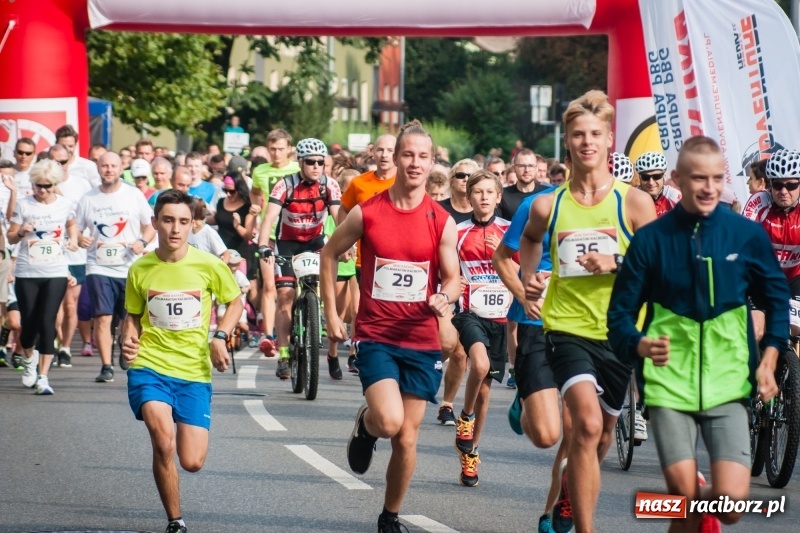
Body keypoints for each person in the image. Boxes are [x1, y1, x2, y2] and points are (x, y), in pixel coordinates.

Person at [608, 136, 788, 533]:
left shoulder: (746, 235)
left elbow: (776, 300)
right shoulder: (651, 240)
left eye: (717, 178)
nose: (709, 187)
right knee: (684, 496)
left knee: (731, 507)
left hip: (728, 382)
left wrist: (770, 358)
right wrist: (638, 343)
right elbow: (618, 316)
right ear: (677, 179)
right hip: (669, 383)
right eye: (697, 178)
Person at [518, 90, 656, 533]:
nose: (587, 142)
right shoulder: (549, 203)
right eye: (578, 135)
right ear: (567, 142)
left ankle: (566, 499)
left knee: (593, 441)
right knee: (588, 421)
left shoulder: (633, 202)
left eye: (595, 134)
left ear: (609, 139)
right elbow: (530, 240)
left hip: (619, 333)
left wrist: (617, 262)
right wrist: (529, 277)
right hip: (566, 328)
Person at [321, 120, 459, 533]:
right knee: (388, 421)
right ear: (395, 158)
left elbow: (453, 277)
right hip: (376, 335)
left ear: (432, 163)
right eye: (408, 155)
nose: (415, 163)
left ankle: (390, 515)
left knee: (408, 438)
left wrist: (445, 297)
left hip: (421, 338)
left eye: (423, 156)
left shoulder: (441, 220)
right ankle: (367, 426)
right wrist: (331, 313)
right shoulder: (369, 212)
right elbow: (329, 255)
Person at [121, 189, 242, 533]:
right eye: (169, 220)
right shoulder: (140, 268)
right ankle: (176, 521)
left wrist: (220, 336)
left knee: (191, 461)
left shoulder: (209, 265)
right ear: (155, 222)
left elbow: (234, 302)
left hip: (193, 372)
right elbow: (132, 316)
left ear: (193, 225)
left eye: (183, 222)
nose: (175, 228)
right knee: (163, 441)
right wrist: (128, 341)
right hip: (150, 366)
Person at [493, 179, 571, 533]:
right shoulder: (539, 204)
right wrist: (522, 293)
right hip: (536, 322)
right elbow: (501, 257)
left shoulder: (619, 204)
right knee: (545, 435)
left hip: (585, 329)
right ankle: (525, 398)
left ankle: (554, 512)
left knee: (577, 431)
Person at [256, 138, 341, 378]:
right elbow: (270, 217)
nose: (316, 166)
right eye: (310, 162)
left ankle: (316, 318)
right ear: (300, 163)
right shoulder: (285, 185)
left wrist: (346, 244)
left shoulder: (329, 185)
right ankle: (283, 354)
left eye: (320, 162)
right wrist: (264, 245)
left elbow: (339, 217)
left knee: (320, 286)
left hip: (315, 242)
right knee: (285, 296)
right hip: (287, 244)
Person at [450, 170, 511, 487]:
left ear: (499, 197)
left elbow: (523, 272)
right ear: (468, 196)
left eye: (490, 192)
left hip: (501, 316)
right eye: (478, 192)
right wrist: (452, 282)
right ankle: (465, 417)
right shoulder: (457, 231)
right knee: (480, 364)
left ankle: (471, 453)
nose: (484, 197)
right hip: (470, 313)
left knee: (486, 391)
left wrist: (503, 253)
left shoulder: (509, 231)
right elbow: (445, 272)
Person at [76, 151, 155, 383]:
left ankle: (124, 345)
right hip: (98, 266)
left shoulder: (133, 195)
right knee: (102, 316)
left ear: (121, 169)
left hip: (128, 265)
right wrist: (81, 239)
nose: (108, 169)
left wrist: (141, 242)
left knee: (128, 316)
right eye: (104, 166)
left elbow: (150, 226)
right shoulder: (88, 198)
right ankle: (106, 365)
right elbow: (77, 229)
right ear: (98, 168)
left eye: (113, 166)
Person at [8, 159, 78, 394]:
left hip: (55, 271)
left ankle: (44, 377)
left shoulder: (65, 204)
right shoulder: (24, 204)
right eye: (39, 185)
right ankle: (29, 360)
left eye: (47, 186)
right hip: (27, 271)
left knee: (47, 322)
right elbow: (10, 237)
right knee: (28, 325)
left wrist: (73, 239)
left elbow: (71, 223)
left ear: (54, 184)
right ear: (33, 184)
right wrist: (21, 232)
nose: (43, 190)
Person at [251, 129, 301, 354]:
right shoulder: (260, 171)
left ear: (289, 148)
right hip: (269, 235)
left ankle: (299, 324)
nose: (277, 153)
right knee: (269, 286)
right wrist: (257, 208)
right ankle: (268, 335)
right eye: (272, 149)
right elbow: (254, 192)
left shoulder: (298, 169)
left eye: (281, 149)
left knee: (293, 288)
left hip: (293, 234)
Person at [47, 143, 93, 368]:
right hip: (51, 253)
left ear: (69, 160)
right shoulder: (41, 186)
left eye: (62, 162)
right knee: (54, 304)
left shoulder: (81, 184)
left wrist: (81, 236)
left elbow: (84, 217)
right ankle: (55, 339)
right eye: (53, 162)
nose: (58, 166)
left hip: (75, 254)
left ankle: (65, 347)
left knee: (70, 304)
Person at [749, 149, 800, 339]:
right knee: (755, 331)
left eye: (791, 185)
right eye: (777, 185)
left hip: (795, 277)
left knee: (796, 328)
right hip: (764, 277)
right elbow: (744, 237)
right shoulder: (759, 201)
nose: (784, 191)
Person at [499, 149, 548, 220]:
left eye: (531, 166)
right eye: (522, 166)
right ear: (514, 168)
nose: (527, 170)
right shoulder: (502, 195)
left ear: (536, 168)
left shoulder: (548, 193)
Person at [635, 151, 681, 217]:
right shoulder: (633, 197)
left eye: (656, 176)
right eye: (645, 177)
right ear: (640, 178)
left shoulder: (673, 196)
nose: (651, 182)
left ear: (664, 176)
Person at [438, 159, 478, 224]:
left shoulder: (485, 209)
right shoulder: (439, 208)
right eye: (460, 175)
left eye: (471, 176)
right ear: (452, 180)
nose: (466, 179)